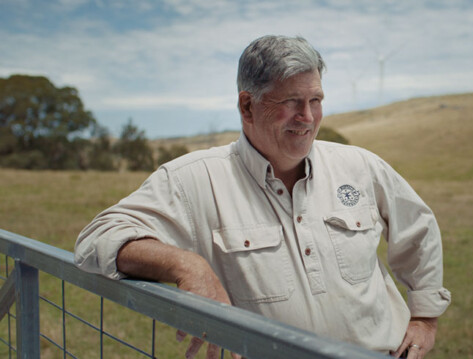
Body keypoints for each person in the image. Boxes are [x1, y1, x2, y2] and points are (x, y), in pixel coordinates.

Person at [74, 35, 451, 359]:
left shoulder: (359, 166)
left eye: (315, 100)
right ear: (247, 106)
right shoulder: (193, 179)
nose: (307, 117)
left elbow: (417, 227)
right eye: (290, 102)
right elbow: (97, 238)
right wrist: (187, 267)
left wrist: (424, 316)